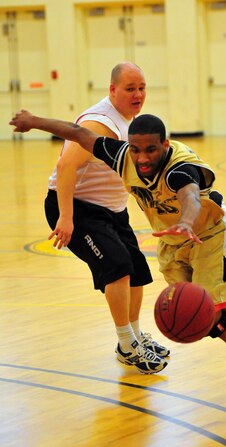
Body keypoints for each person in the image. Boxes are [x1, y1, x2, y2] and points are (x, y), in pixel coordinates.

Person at [9, 111, 226, 409]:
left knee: (209, 316)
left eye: (150, 150)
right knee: (214, 314)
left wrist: (185, 221)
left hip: (208, 233)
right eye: (135, 149)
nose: (142, 158)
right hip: (173, 238)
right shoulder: (123, 156)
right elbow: (78, 133)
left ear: (165, 145)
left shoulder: (179, 170)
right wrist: (34, 121)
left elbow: (191, 197)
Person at [32, 63, 170, 375]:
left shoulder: (130, 121)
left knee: (136, 269)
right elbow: (66, 167)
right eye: (130, 88)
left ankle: (134, 337)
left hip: (111, 209)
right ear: (112, 90)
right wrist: (66, 217)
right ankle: (125, 342)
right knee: (118, 265)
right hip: (76, 207)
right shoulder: (100, 123)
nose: (138, 94)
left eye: (141, 88)